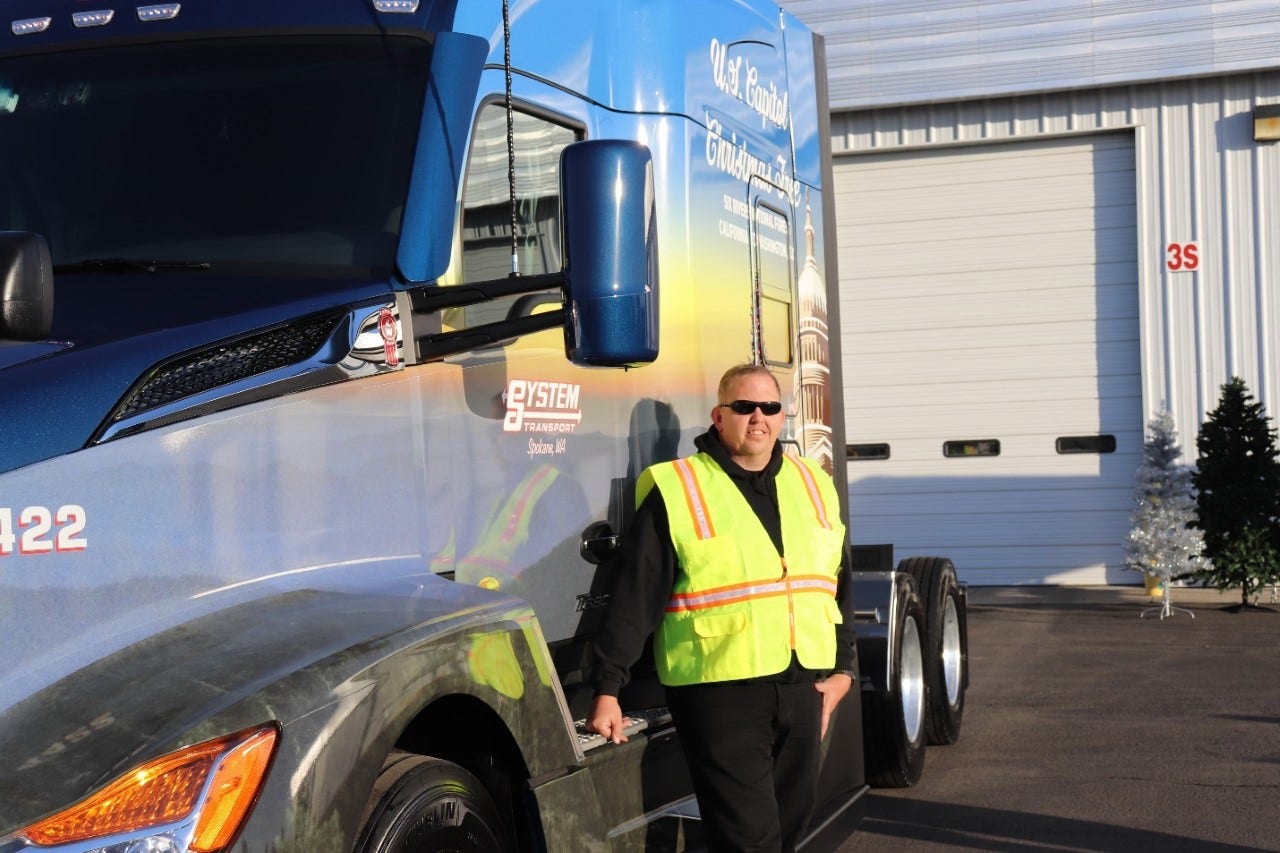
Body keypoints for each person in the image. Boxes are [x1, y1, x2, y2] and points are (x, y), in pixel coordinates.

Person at [588, 363, 857, 853]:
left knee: (789, 826)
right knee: (748, 839)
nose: (758, 417)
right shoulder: (680, 488)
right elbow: (637, 596)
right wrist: (609, 687)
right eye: (744, 407)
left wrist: (845, 670)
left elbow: (837, 582)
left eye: (770, 407)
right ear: (719, 415)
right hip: (719, 693)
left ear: (782, 417)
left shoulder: (814, 482)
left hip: (802, 686)